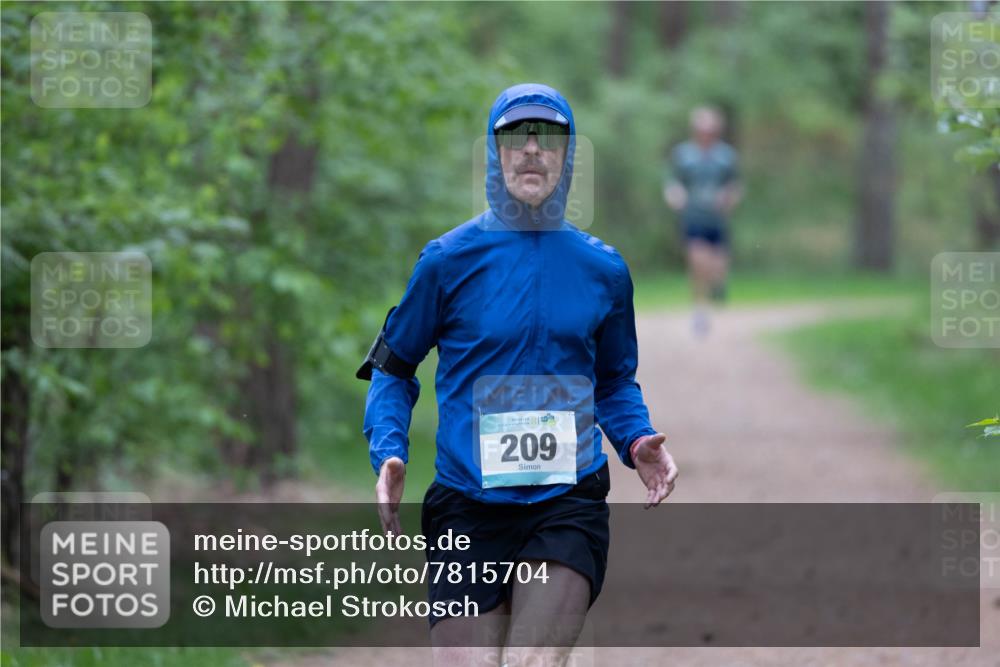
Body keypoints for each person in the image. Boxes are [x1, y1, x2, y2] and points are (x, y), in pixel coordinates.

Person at [360, 83, 678, 667]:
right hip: (466, 504)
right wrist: (388, 452)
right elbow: (392, 370)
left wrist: (636, 441)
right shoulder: (446, 261)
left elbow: (611, 381)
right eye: (516, 136)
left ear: (568, 155)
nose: (532, 149)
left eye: (549, 136)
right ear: (493, 151)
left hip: (565, 502)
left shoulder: (604, 270)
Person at [663, 106, 742, 337]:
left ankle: (718, 284)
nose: (705, 133)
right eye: (701, 128)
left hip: (717, 220)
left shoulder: (726, 156)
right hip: (693, 217)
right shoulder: (683, 154)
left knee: (717, 267)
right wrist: (675, 195)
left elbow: (735, 185)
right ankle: (700, 312)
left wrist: (729, 198)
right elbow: (672, 182)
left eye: (710, 129)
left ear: (716, 130)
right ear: (695, 130)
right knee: (697, 263)